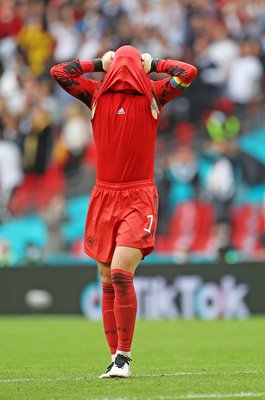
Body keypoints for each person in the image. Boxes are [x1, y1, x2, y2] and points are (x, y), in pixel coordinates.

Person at [50, 45, 197, 378]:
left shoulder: (154, 95)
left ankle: (124, 357)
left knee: (119, 273)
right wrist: (98, 65)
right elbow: (58, 72)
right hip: (105, 195)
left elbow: (188, 72)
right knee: (106, 280)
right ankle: (114, 358)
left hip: (138, 197)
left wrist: (152, 65)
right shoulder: (96, 94)